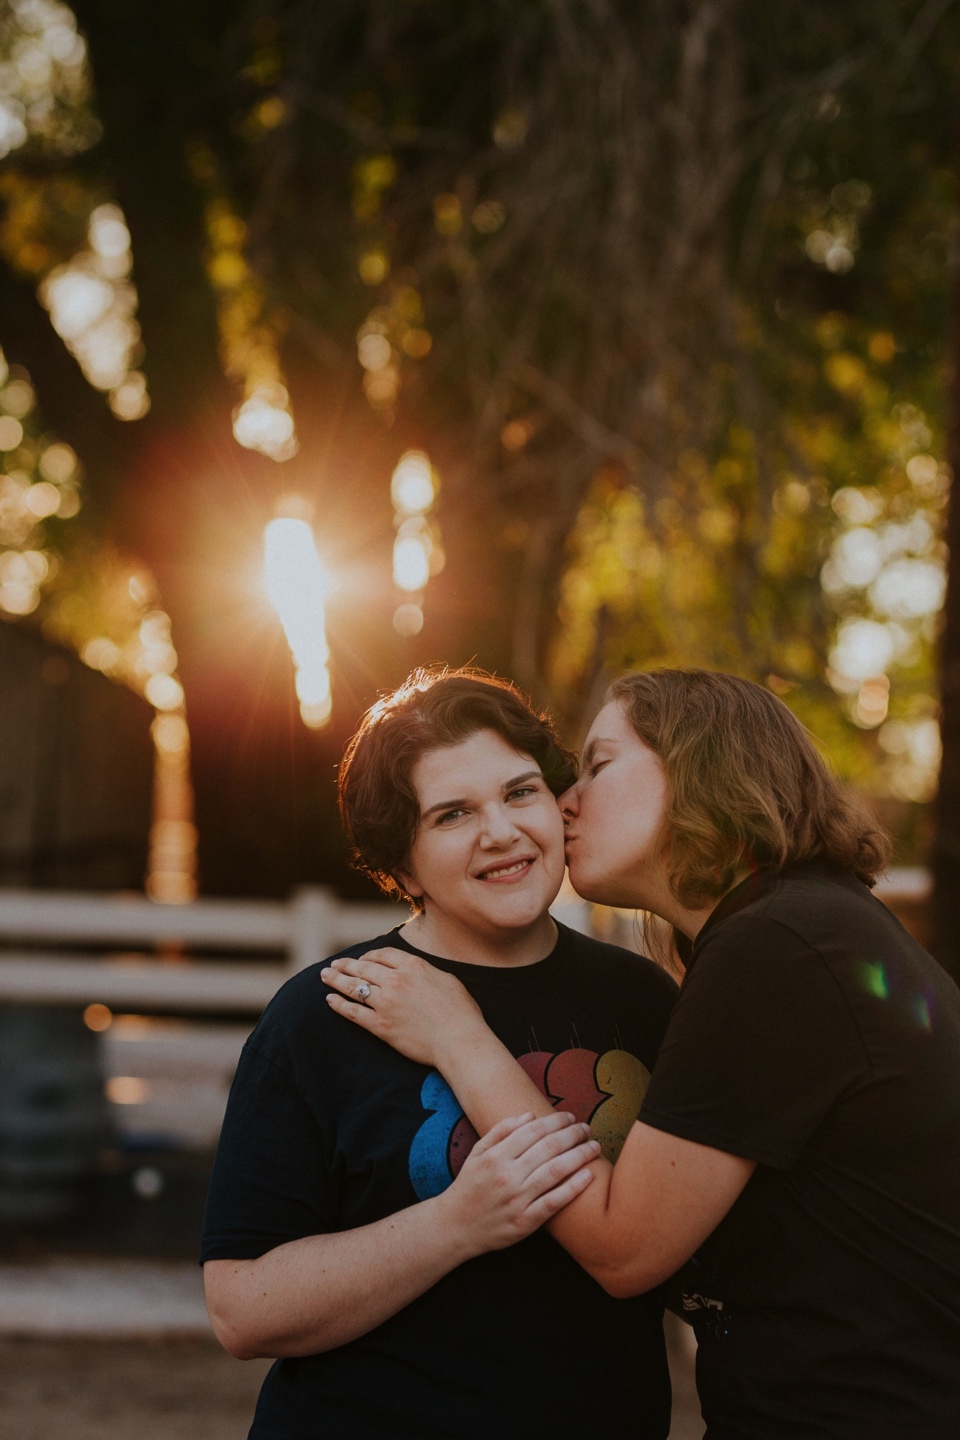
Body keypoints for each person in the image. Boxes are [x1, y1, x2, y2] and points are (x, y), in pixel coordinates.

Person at [324, 668, 960, 1440]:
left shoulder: (780, 947)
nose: (566, 800)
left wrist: (461, 1040)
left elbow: (623, 1250)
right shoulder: (799, 928)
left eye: (598, 765)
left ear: (699, 767)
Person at [201, 667, 679, 1439]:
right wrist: (457, 1223)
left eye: (521, 792)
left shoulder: (643, 1001)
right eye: (453, 814)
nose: (501, 831)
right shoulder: (326, 1014)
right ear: (401, 864)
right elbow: (241, 1310)